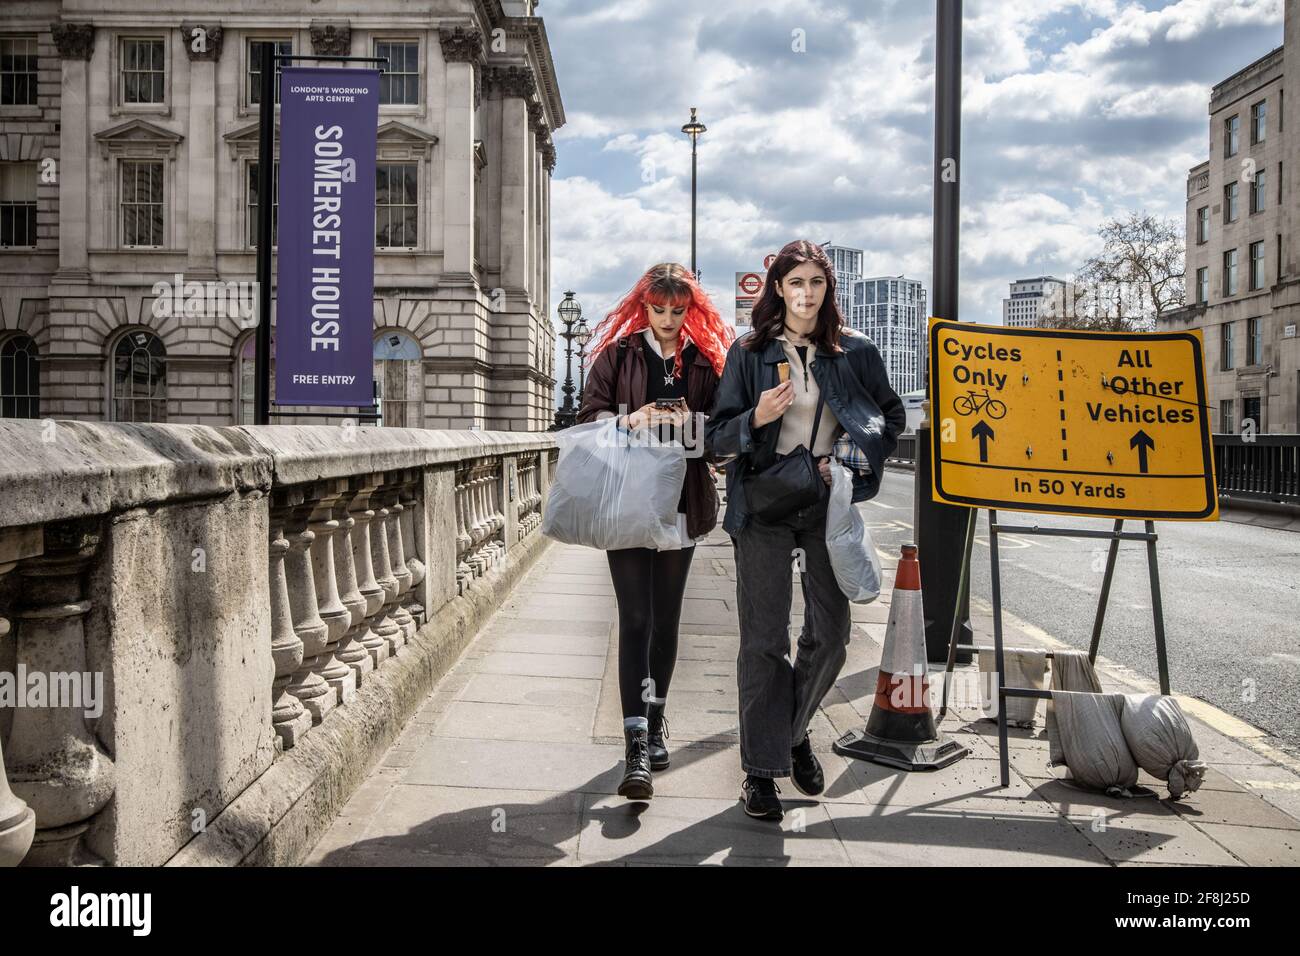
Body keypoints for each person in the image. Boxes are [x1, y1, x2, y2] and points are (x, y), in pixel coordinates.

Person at [705, 240, 905, 821]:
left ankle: (790, 732)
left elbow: (889, 417)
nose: (806, 293)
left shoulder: (855, 352)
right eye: (796, 283)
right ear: (779, 289)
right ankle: (760, 774)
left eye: (816, 282)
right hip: (763, 504)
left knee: (833, 634)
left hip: (823, 504)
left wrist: (845, 454)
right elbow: (717, 439)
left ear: (828, 290)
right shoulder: (750, 352)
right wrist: (756, 418)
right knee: (763, 641)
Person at [578, 262, 733, 800]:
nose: (668, 319)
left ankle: (657, 716)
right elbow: (588, 418)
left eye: (678, 310)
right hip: (626, 501)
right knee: (636, 618)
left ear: (691, 310)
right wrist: (632, 420)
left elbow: (722, 434)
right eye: (659, 309)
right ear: (642, 306)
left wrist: (689, 424)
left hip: (683, 505)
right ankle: (635, 743)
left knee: (666, 619)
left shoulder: (704, 364)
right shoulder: (617, 356)